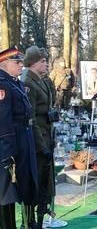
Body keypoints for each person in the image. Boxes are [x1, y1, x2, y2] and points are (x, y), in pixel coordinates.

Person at [0, 46, 38, 229]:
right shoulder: (2, 85)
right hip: (12, 145)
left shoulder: (16, 83)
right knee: (7, 192)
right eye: (17, 62)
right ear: (5, 65)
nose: (21, 65)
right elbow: (3, 121)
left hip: (25, 140)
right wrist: (7, 153)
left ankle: (29, 223)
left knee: (28, 183)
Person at [22, 46, 56, 228]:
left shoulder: (40, 80)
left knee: (45, 185)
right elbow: (31, 118)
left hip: (46, 135)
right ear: (33, 62)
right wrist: (41, 145)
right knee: (36, 184)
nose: (46, 64)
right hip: (37, 141)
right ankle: (31, 222)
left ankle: (41, 217)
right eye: (42, 61)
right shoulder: (28, 81)